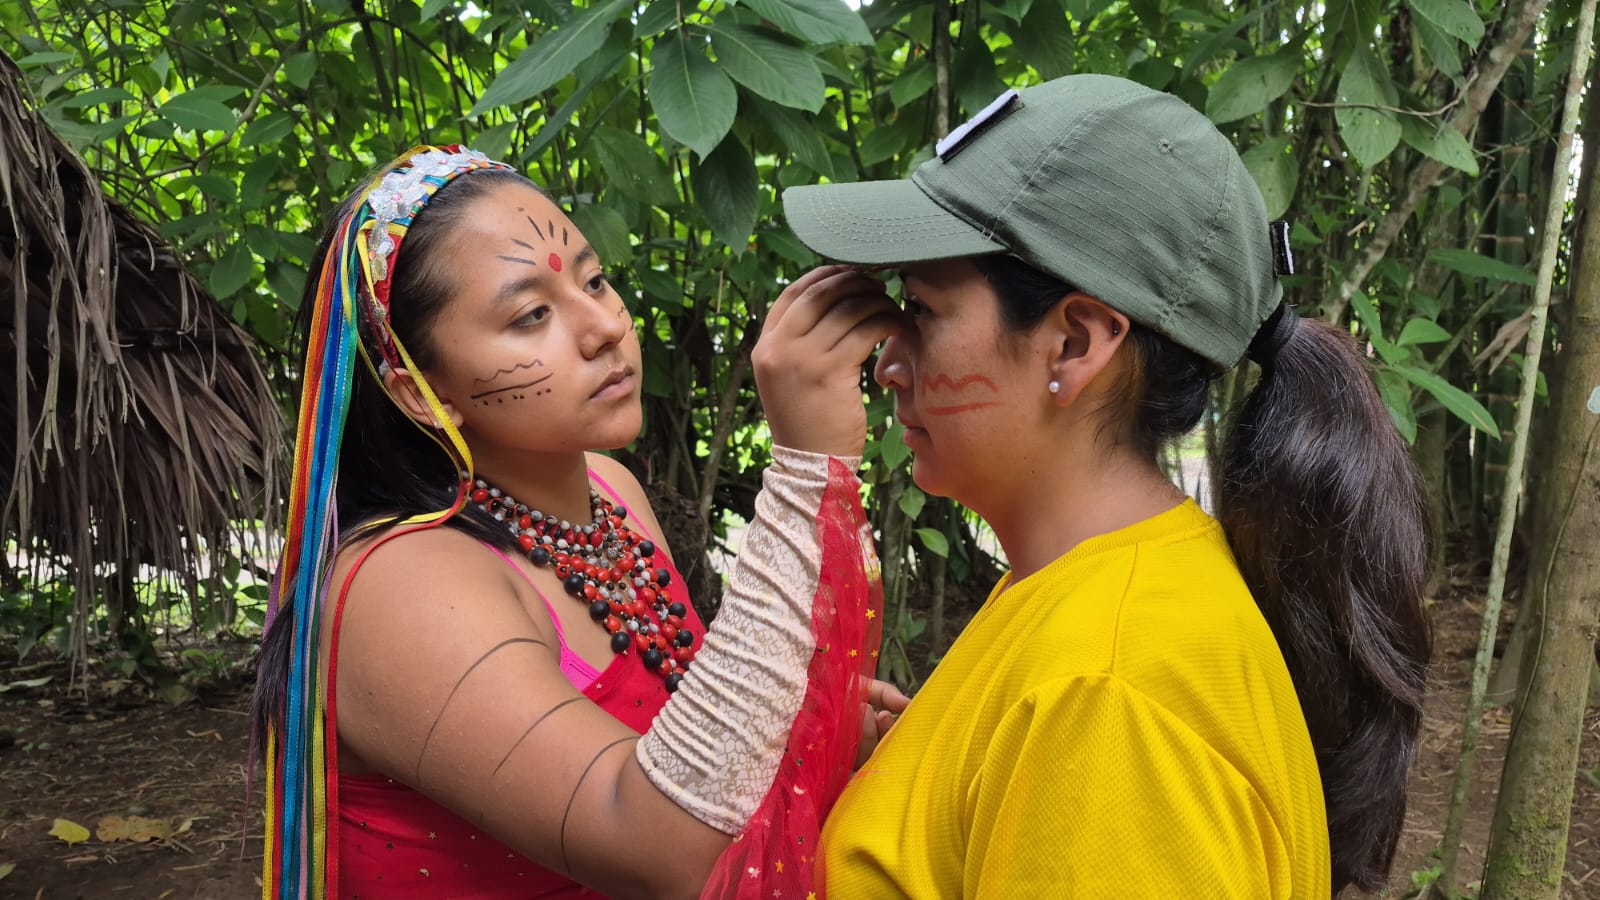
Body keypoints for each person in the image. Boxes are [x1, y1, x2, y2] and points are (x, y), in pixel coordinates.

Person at [782, 75, 1432, 897]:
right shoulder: (1082, 592)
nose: (888, 364)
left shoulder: (1109, 694)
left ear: (1075, 343)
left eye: (924, 312)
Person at [250, 145, 906, 899]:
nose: (602, 327)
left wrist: (804, 737)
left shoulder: (610, 489)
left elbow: (685, 750)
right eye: (531, 314)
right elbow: (661, 847)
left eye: (594, 281)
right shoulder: (399, 585)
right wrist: (804, 473)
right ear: (420, 393)